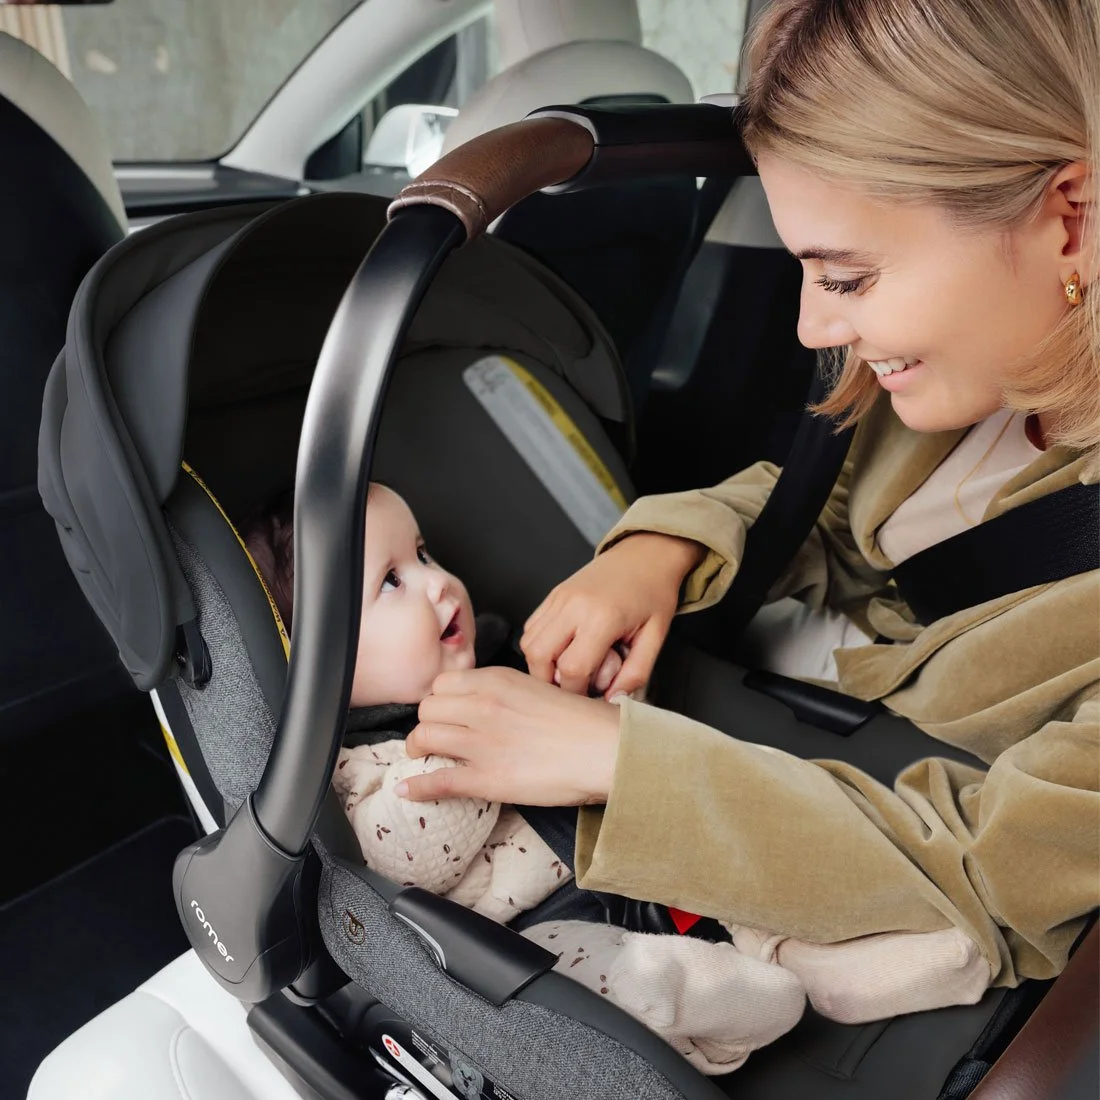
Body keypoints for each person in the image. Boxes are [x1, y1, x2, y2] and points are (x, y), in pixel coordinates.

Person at [393, 0, 1100, 1021]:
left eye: (847, 275)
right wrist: (661, 548)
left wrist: (612, 764)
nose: (813, 322)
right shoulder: (969, 390)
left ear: (1066, 217)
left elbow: (991, 862)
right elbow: (828, 507)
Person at [243, 482, 808, 1075]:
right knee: (563, 982)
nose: (436, 582)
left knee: (727, 847)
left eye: (424, 554)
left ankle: (807, 954)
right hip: (536, 930)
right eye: (391, 580)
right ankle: (677, 997)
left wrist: (602, 683)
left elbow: (606, 742)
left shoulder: (504, 660)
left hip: (628, 859)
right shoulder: (351, 769)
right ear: (317, 665)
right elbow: (403, 855)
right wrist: (477, 737)